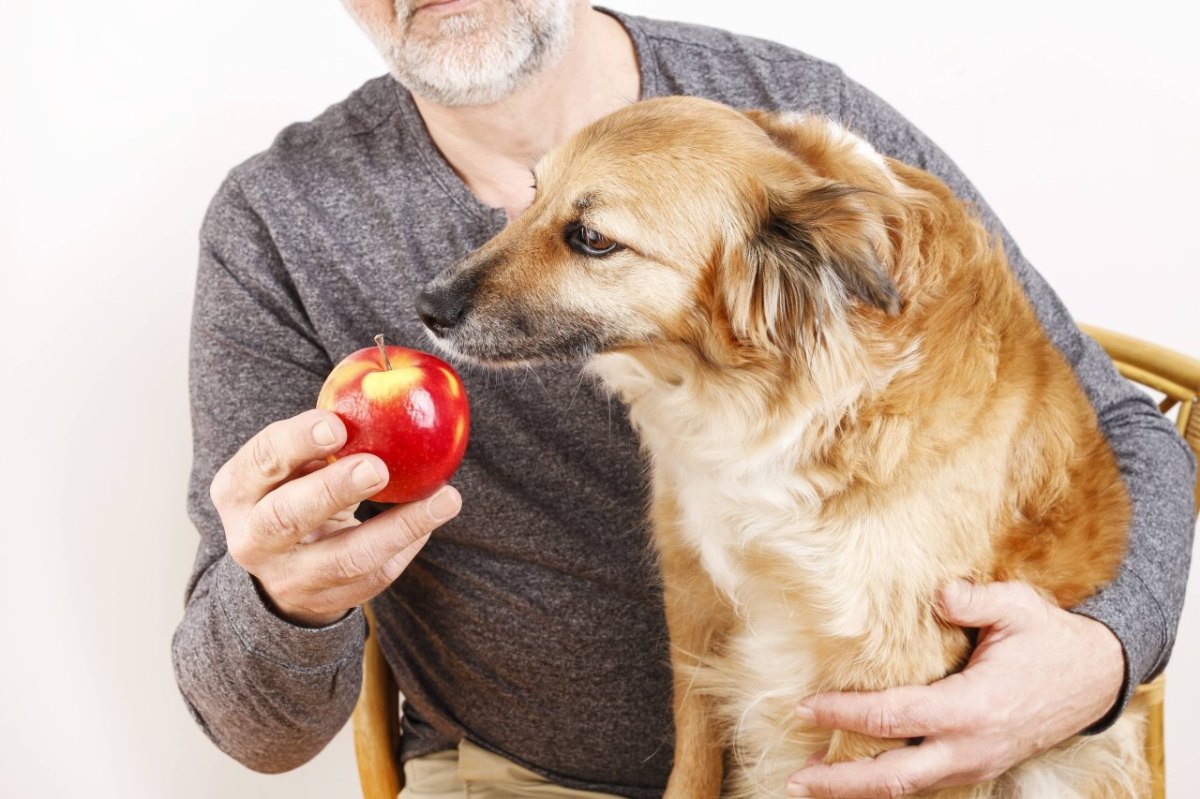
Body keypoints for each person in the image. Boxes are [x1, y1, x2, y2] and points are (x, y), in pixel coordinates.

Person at [171, 1, 1197, 797]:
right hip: (529, 779)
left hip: (906, 763)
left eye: (589, 237)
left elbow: (1121, 428)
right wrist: (279, 596)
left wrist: (1101, 655)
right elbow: (256, 727)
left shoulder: (801, 138)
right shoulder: (279, 224)